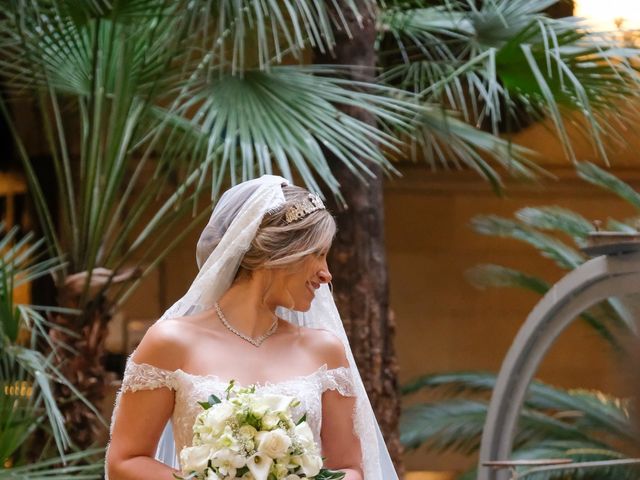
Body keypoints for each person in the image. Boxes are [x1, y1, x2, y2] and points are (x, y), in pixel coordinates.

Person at [106, 175, 398, 479]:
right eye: (319, 254)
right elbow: (125, 461)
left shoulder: (324, 350)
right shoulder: (171, 342)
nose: (327, 274)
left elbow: (350, 469)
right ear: (280, 252)